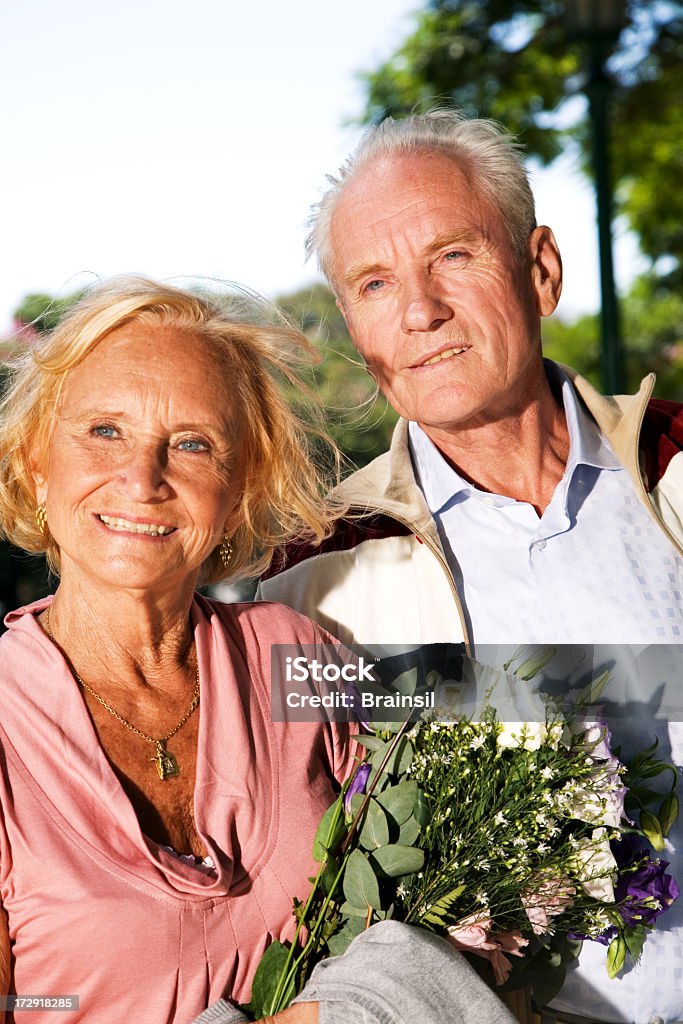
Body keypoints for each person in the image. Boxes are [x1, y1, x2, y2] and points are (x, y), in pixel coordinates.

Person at [258, 111, 683, 1023]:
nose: (419, 311)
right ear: (354, 329)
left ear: (541, 270)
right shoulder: (310, 583)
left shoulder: (676, 466)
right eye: (375, 283)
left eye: (452, 256)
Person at [0, 276, 515, 1024]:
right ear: (39, 463)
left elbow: (439, 889)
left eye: (192, 444)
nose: (143, 480)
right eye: (104, 431)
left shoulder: (297, 654)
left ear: (237, 490)